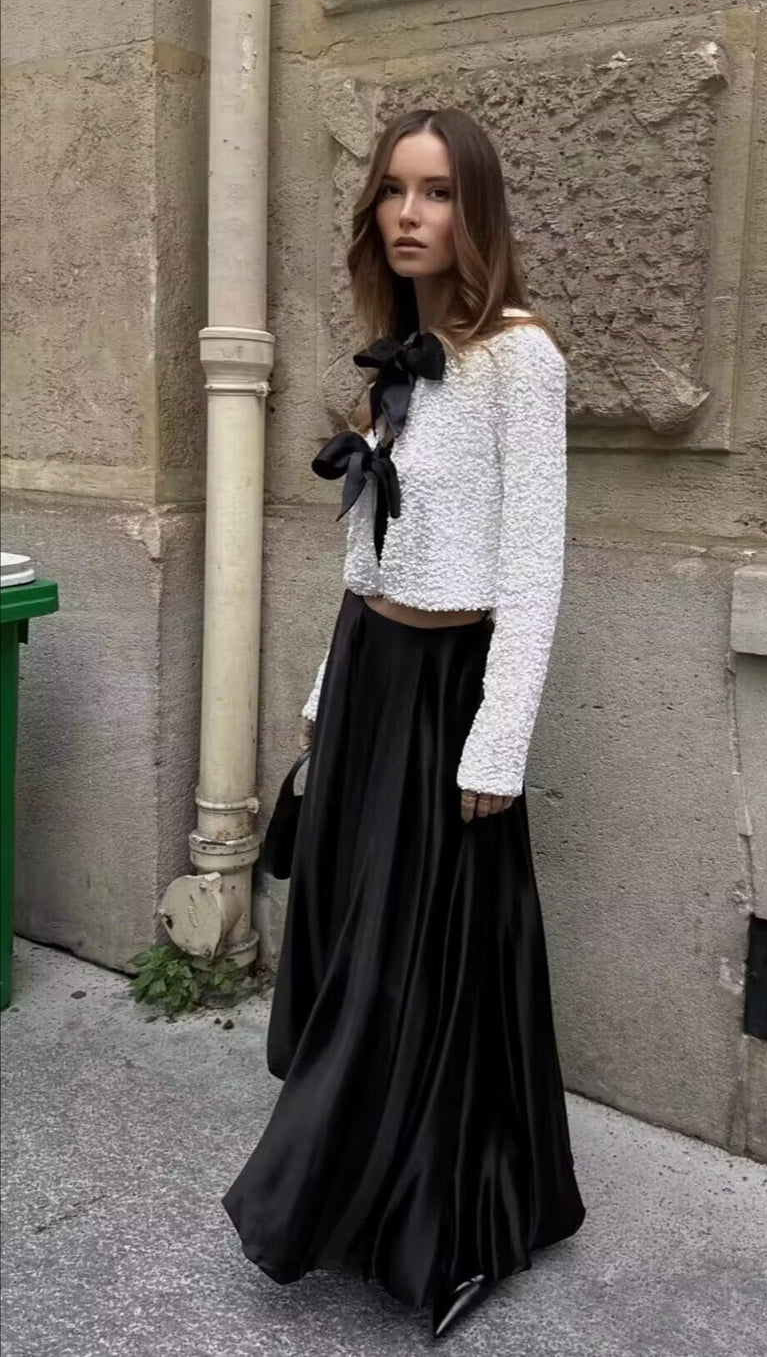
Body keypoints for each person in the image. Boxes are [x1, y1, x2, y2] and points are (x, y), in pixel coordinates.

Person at [222, 106, 585, 1339]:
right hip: (373, 676)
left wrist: (500, 738)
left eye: (436, 192)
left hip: (448, 691)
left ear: (476, 210)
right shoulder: (402, 360)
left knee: (422, 960)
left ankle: (452, 1225)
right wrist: (326, 698)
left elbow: (533, 564)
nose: (409, 213)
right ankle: (380, 1196)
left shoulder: (521, 357)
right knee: (359, 942)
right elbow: (368, 554)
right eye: (393, 190)